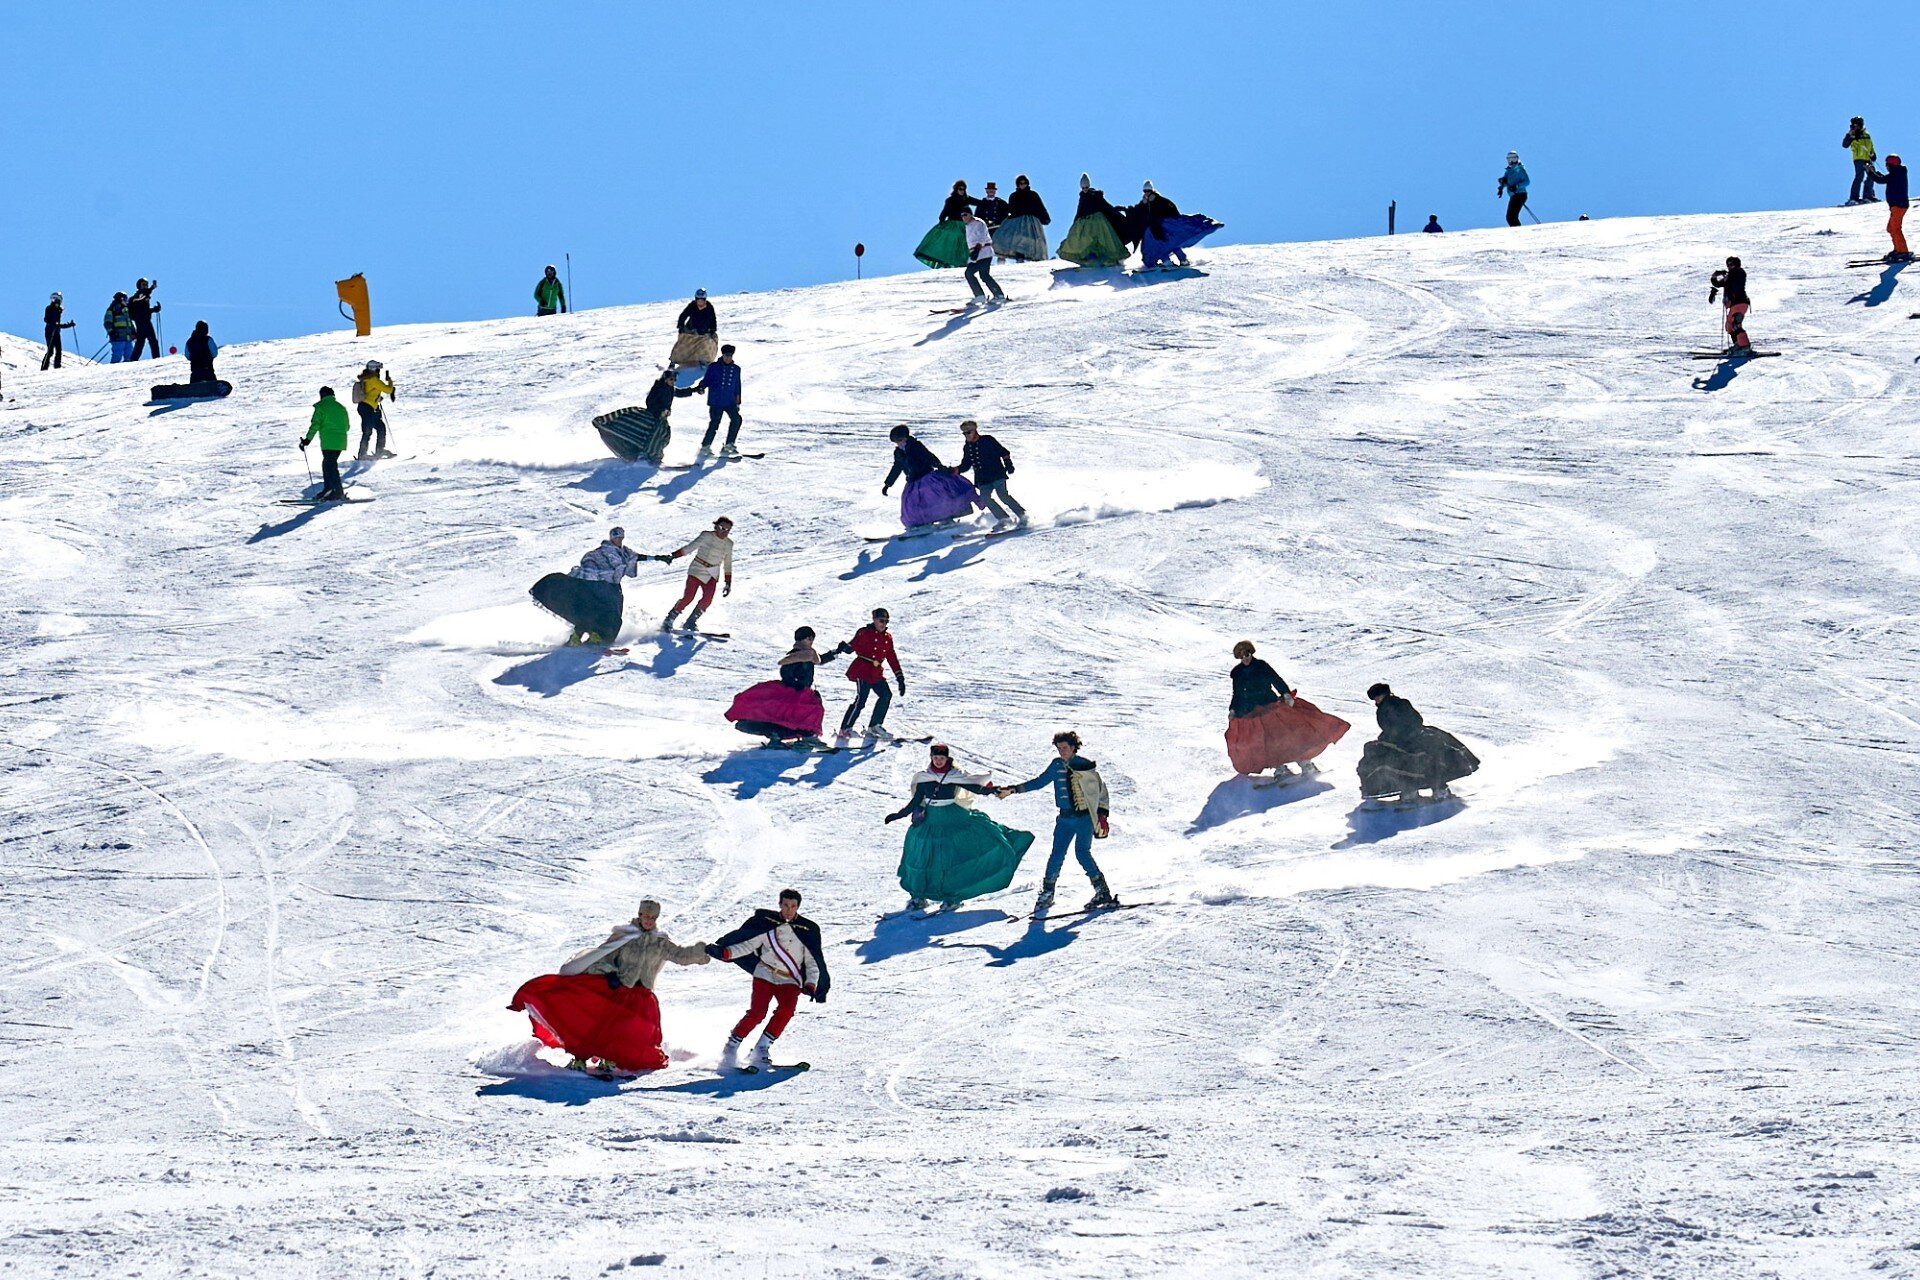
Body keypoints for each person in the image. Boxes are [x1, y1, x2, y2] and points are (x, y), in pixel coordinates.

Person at [509, 898, 712, 1078]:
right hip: (618, 989)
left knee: (635, 1033)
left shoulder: (660, 942)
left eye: (653, 917)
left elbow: (681, 955)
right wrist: (611, 973)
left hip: (642, 995)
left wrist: (701, 952)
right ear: (639, 915)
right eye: (646, 916)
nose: (649, 920)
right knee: (598, 1026)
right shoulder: (624, 937)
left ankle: (610, 1058)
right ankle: (579, 1058)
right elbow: (604, 956)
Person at [885, 743, 1032, 913]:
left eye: (941, 758)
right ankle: (918, 897)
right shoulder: (924, 778)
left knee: (949, 861)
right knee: (923, 858)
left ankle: (952, 898)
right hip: (930, 822)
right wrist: (898, 815)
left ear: (947, 758)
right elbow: (915, 801)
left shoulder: (954, 776)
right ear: (931, 758)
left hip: (952, 819)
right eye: (935, 758)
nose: (938, 761)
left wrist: (994, 790)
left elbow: (976, 789)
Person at [996, 731, 1117, 916]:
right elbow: (1039, 782)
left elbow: (1100, 792)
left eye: (1065, 748)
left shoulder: (1084, 766)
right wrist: (1014, 790)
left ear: (1074, 747)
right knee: (1056, 854)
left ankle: (1102, 892)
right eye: (1059, 748)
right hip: (1064, 819)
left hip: (1083, 819)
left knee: (1082, 853)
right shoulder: (1056, 765)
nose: (1062, 751)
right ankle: (1047, 893)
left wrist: (1102, 815)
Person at [709, 889, 829, 1072]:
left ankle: (761, 1049)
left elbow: (812, 961)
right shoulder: (768, 925)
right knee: (757, 1012)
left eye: (793, 906)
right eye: (786, 905)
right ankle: (732, 1047)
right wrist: (727, 953)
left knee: (786, 1011)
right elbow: (749, 945)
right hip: (764, 974)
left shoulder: (807, 930)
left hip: (790, 979)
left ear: (798, 907)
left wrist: (811, 983)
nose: (789, 909)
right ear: (780, 904)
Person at [1223, 641, 1350, 780]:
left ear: (1251, 653)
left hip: (1270, 704)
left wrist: (1286, 693)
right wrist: (1233, 710)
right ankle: (1280, 768)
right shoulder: (1237, 673)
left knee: (1290, 734)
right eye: (1241, 656)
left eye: (1247, 654)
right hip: (1253, 711)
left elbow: (1276, 680)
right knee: (1267, 741)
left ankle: (1305, 763)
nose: (1245, 658)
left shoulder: (1261, 666)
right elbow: (1237, 694)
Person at [725, 626, 849, 746]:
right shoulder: (801, 654)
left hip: (799, 690)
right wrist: (794, 683)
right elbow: (786, 670)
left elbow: (820, 659)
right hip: (795, 691)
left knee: (803, 711)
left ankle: (794, 735)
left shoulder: (806, 653)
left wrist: (837, 652)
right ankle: (804, 736)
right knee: (809, 710)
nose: (811, 642)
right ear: (806, 639)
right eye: (810, 639)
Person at [1357, 683, 1480, 803]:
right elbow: (1417, 719)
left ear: (1382, 695)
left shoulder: (1385, 708)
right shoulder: (1402, 702)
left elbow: (1392, 727)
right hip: (1417, 735)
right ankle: (1437, 790)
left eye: (1376, 698)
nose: (1375, 701)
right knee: (1425, 760)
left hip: (1402, 741)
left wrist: (1391, 736)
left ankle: (1411, 792)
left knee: (1398, 762)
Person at [529, 527, 644, 647]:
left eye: (620, 537)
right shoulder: (602, 551)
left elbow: (634, 557)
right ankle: (578, 639)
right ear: (611, 538)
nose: (618, 540)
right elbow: (589, 565)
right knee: (589, 612)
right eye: (616, 537)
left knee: (609, 615)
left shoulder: (624, 552)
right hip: (595, 586)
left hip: (610, 589)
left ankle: (594, 637)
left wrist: (657, 558)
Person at [883, 424, 980, 528]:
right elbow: (897, 467)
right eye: (896, 442)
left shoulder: (915, 446)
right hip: (913, 482)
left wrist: (938, 466)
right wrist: (888, 484)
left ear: (905, 438)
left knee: (936, 500)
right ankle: (922, 523)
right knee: (912, 505)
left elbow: (928, 456)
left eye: (899, 440)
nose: (898, 444)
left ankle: (946, 518)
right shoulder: (898, 452)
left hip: (927, 478)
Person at [836, 607, 904, 738]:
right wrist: (844, 647)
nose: (883, 624)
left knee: (886, 695)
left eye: (886, 621)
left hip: (876, 672)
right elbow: (852, 646)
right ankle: (845, 728)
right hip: (863, 670)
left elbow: (892, 657)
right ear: (874, 620)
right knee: (861, 700)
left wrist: (900, 677)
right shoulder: (864, 633)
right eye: (881, 620)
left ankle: (875, 726)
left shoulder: (887, 638)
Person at [661, 516, 735, 632]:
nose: (724, 532)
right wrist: (673, 555)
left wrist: (728, 582)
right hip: (697, 569)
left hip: (712, 573)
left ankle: (691, 622)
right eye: (722, 528)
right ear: (716, 526)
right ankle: (669, 620)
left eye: (727, 530)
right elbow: (690, 548)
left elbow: (727, 563)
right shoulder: (707, 536)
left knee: (707, 599)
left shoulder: (729, 544)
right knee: (688, 597)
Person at [952, 420, 1025, 525]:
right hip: (982, 479)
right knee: (985, 498)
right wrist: (956, 470)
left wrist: (1008, 464)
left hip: (997, 474)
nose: (966, 435)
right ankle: (1004, 520)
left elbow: (1003, 452)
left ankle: (1023, 515)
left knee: (1003, 495)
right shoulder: (967, 447)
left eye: (968, 432)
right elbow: (966, 464)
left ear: (975, 431)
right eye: (964, 433)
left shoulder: (987, 440)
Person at [1058, 173, 1129, 267]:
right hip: (1085, 223)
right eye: (1083, 188)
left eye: (1086, 187)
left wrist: (1117, 210)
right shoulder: (1082, 197)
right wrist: (1075, 224)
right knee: (1084, 239)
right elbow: (1079, 211)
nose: (1085, 189)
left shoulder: (1096, 195)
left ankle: (1109, 258)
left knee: (1104, 239)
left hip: (1098, 222)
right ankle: (1089, 257)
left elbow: (1106, 206)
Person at [299, 387, 351, 501]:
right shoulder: (341, 407)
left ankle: (338, 492)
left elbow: (315, 425)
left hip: (328, 441)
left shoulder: (321, 407)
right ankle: (329, 489)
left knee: (330, 466)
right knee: (328, 464)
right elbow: (347, 427)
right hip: (340, 441)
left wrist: (307, 440)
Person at [913, 181, 979, 269]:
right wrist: (941, 221)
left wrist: (990, 202)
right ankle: (946, 262)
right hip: (952, 223)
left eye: (964, 189)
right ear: (956, 189)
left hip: (963, 224)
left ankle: (962, 262)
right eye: (960, 189)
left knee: (964, 243)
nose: (962, 191)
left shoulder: (966, 199)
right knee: (949, 242)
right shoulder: (950, 200)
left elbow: (979, 202)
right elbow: (945, 211)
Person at [694, 344, 744, 457]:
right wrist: (701, 387)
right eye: (726, 355)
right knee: (715, 423)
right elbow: (706, 380)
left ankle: (729, 444)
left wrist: (737, 401)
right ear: (722, 355)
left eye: (730, 355)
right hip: (716, 401)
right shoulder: (714, 367)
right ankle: (705, 447)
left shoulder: (736, 369)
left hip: (730, 401)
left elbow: (737, 386)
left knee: (737, 419)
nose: (728, 358)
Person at [994, 174, 1052, 263]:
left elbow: (1039, 206)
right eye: (1020, 183)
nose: (1023, 185)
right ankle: (1019, 257)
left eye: (1024, 183)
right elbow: (1011, 209)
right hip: (1017, 221)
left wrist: (1045, 217)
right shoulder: (1013, 196)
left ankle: (1033, 259)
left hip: (1031, 221)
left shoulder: (1033, 194)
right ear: (1017, 184)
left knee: (1032, 240)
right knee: (1017, 239)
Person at [1867, 154, 1911, 261]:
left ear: (1891, 165)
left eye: (1887, 165)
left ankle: (1903, 251)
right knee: (1891, 228)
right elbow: (1883, 178)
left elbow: (1881, 180)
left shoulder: (1896, 174)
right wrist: (1873, 172)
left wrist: (1870, 172)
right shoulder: (1897, 173)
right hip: (1898, 205)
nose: (1886, 167)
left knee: (1895, 228)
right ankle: (1898, 249)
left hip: (1898, 205)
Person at [352, 360, 397, 459]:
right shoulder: (373, 379)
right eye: (378, 369)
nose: (379, 372)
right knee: (369, 431)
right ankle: (363, 454)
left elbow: (370, 391)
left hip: (367, 407)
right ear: (374, 369)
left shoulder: (366, 378)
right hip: (368, 408)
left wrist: (376, 398)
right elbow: (388, 390)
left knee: (379, 428)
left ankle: (378, 451)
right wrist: (390, 381)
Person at [1708, 257, 1753, 354]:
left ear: (1736, 265)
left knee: (1735, 324)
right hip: (1735, 303)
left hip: (1740, 302)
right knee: (1730, 326)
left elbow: (1730, 283)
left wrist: (1724, 277)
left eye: (1731, 264)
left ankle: (1745, 346)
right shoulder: (1731, 275)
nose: (1729, 267)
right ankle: (1738, 344)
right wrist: (1715, 276)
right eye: (1728, 265)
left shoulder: (1739, 272)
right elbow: (1719, 283)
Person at [961, 208, 1005, 304]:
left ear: (970, 214)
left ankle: (999, 295)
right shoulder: (967, 226)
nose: (963, 217)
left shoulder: (978, 223)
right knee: (969, 273)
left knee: (984, 275)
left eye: (965, 214)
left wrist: (977, 249)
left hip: (984, 252)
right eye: (962, 215)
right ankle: (979, 296)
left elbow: (982, 237)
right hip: (975, 254)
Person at [1845, 118, 1879, 205]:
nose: (1853, 127)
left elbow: (1870, 145)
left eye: (1855, 125)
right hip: (1859, 158)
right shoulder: (1852, 134)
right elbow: (1845, 144)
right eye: (1852, 125)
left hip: (1867, 158)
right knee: (1859, 176)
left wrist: (1873, 154)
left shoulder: (1866, 134)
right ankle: (1854, 197)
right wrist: (1850, 136)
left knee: (1871, 175)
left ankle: (1868, 196)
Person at [127, 279, 162, 360]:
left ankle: (156, 359)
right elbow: (140, 299)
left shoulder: (144, 296)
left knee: (149, 342)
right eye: (143, 284)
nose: (145, 286)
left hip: (146, 321)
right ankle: (134, 360)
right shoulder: (136, 297)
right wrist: (152, 288)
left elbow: (144, 311)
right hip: (141, 322)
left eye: (146, 284)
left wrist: (154, 309)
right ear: (139, 285)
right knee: (142, 343)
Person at [41, 292, 75, 371]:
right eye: (55, 300)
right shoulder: (49, 308)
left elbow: (58, 324)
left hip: (56, 332)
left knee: (59, 350)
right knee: (50, 351)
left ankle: (57, 367)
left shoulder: (59, 310)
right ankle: (44, 368)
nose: (57, 302)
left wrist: (69, 325)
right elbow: (46, 319)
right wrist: (54, 324)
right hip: (50, 331)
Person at [1498, 152, 1530, 227]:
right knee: (1510, 217)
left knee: (1511, 217)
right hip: (1515, 195)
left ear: (1517, 159)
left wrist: (1517, 186)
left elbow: (1527, 182)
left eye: (1513, 158)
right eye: (1509, 159)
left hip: (1520, 194)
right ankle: (1517, 231)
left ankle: (1517, 232)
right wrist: (1502, 184)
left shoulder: (1519, 169)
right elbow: (1507, 182)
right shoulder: (1509, 171)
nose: (1511, 161)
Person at [103, 293, 136, 363]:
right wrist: (111, 332)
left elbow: (130, 323)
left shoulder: (126, 311)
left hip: (127, 337)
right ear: (121, 299)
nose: (126, 302)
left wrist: (133, 332)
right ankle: (113, 370)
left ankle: (128, 371)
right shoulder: (112, 309)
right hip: (117, 337)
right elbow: (107, 322)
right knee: (117, 355)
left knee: (130, 356)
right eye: (125, 299)